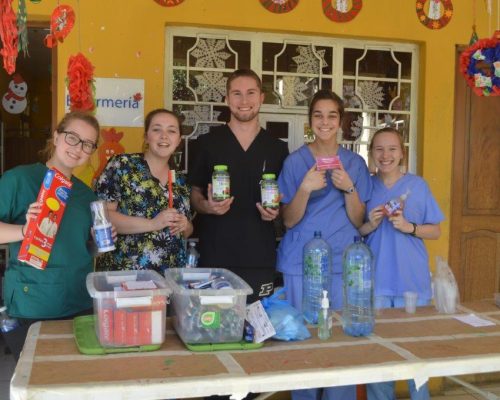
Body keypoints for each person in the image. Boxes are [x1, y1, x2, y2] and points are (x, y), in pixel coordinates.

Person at [277, 89, 372, 400]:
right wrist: (304, 188)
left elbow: (360, 220)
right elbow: (288, 220)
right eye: (318, 115)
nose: (325, 121)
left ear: (341, 121)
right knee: (302, 340)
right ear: (310, 121)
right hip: (300, 264)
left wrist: (349, 188)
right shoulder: (295, 163)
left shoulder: (354, 164)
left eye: (332, 115)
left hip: (343, 264)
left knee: (340, 345)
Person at [0, 111, 101, 361]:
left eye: (87, 144)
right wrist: (24, 230)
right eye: (72, 138)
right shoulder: (19, 179)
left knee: (75, 382)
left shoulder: (86, 195)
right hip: (33, 301)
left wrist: (100, 243)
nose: (78, 148)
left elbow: (83, 248)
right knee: (38, 382)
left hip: (79, 301)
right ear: (55, 137)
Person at [188, 69, 289, 303]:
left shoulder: (277, 148)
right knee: (214, 328)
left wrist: (276, 212)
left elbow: (285, 204)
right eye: (237, 93)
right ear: (227, 99)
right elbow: (194, 194)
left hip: (260, 257)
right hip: (215, 255)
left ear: (262, 98)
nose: (244, 101)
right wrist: (207, 206)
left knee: (257, 330)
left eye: (251, 93)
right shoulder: (207, 143)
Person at [359, 127, 444, 400]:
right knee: (379, 359)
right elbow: (355, 230)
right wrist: (369, 224)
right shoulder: (365, 186)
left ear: (402, 153)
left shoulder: (418, 186)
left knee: (417, 360)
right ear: (371, 153)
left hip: (412, 284)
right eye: (379, 149)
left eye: (392, 149)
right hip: (376, 284)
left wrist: (409, 227)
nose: (386, 155)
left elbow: (436, 231)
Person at [95, 108, 193, 273]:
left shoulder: (180, 181)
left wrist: (185, 225)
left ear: (178, 140)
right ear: (146, 136)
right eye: (157, 129)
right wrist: (152, 224)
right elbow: (103, 217)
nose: (164, 136)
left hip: (170, 277)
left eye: (171, 131)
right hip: (126, 276)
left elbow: (188, 230)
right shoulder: (123, 165)